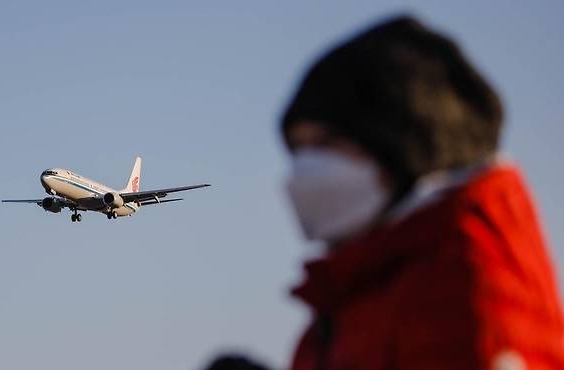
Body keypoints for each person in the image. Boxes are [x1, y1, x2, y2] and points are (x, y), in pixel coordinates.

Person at [205, 15, 564, 370]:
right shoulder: (363, 292)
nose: (305, 170)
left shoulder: (470, 299)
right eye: (300, 150)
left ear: (401, 148)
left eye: (327, 144)